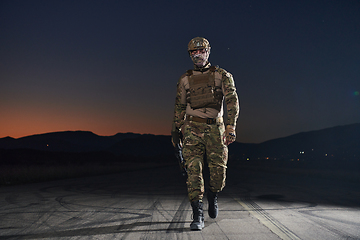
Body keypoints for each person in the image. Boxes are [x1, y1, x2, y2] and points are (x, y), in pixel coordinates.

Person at [171, 37, 240, 230]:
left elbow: (232, 102)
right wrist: (176, 129)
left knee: (218, 173)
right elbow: (179, 105)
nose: (197, 55)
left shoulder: (222, 75)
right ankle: (197, 214)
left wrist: (230, 127)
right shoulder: (184, 79)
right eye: (193, 52)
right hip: (192, 129)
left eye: (200, 51)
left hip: (216, 130)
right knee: (193, 172)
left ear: (208, 51)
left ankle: (213, 194)